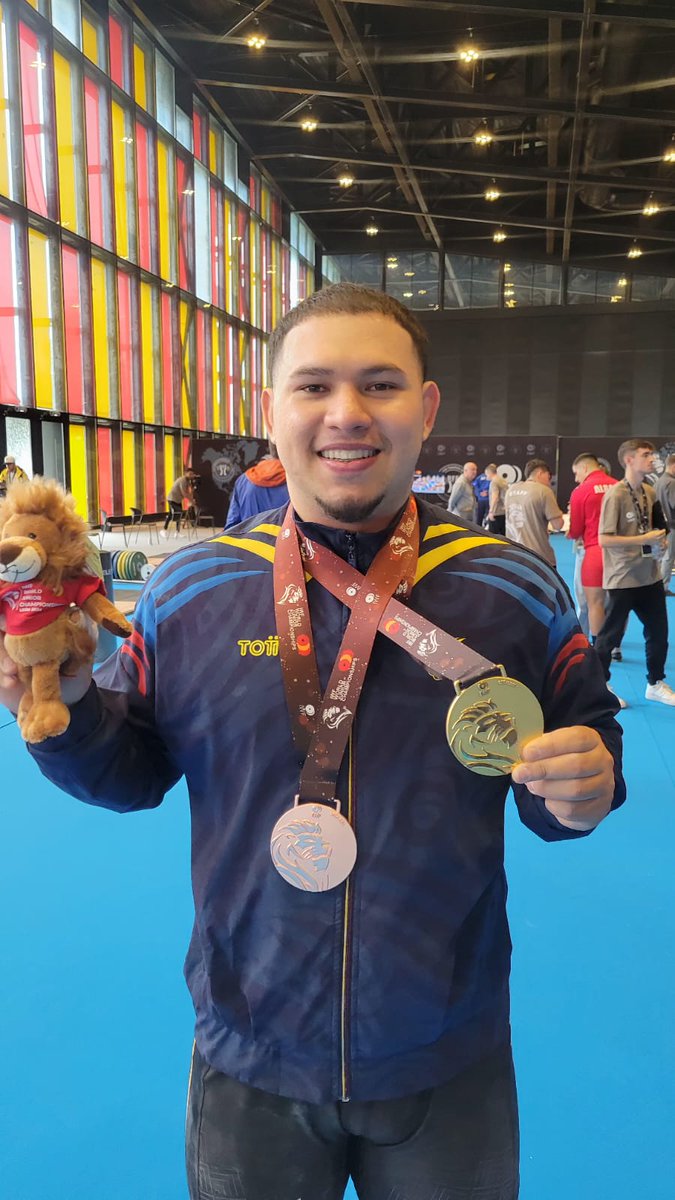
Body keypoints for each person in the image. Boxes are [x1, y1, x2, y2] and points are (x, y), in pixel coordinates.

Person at [0, 284, 624, 1200]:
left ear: (426, 407)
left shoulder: (511, 588)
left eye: (379, 384)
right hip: (250, 1053)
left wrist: (587, 784)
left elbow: (582, 739)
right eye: (313, 386)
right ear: (271, 409)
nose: (346, 412)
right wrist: (63, 704)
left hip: (445, 1052)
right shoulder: (191, 590)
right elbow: (129, 772)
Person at [595, 439, 674, 707]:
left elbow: (655, 528)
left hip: (649, 576)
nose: (652, 459)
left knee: (659, 632)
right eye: (646, 454)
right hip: (622, 578)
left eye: (652, 454)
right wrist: (643, 540)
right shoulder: (615, 495)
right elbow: (604, 539)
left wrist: (659, 542)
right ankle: (599, 686)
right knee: (610, 636)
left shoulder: (649, 491)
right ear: (629, 460)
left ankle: (655, 683)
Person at [567, 454, 619, 639]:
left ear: (585, 468)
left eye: (576, 473)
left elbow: (575, 530)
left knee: (590, 602)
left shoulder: (581, 490)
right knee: (617, 602)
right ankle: (615, 645)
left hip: (592, 550)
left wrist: (571, 533)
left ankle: (590, 642)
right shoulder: (619, 486)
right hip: (620, 552)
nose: (576, 478)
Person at [504, 459, 564, 566]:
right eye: (548, 477)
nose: (549, 482)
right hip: (539, 557)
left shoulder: (510, 490)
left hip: (514, 554)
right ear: (540, 473)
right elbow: (558, 525)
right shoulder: (544, 491)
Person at [225, 452, 290, 528]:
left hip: (250, 534)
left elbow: (232, 523)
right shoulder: (293, 480)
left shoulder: (243, 480)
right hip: (284, 534)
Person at [655, 453, 675, 597]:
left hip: (662, 526)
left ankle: (660, 586)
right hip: (672, 526)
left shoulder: (658, 482)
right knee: (668, 557)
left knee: (663, 557)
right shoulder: (672, 483)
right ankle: (662, 587)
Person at [162, 469, 198, 535]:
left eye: (192, 474)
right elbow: (184, 493)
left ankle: (177, 532)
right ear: (185, 473)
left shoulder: (188, 481)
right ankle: (164, 530)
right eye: (190, 474)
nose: (191, 475)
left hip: (178, 500)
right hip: (172, 499)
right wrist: (191, 501)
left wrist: (192, 496)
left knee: (174, 514)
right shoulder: (182, 480)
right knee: (178, 513)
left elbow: (189, 491)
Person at [485, 462, 509, 535]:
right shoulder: (503, 480)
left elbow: (495, 497)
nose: (486, 477)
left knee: (492, 536)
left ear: (489, 473)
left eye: (486, 475)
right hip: (504, 512)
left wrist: (491, 511)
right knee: (503, 536)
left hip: (497, 512)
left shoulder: (494, 482)